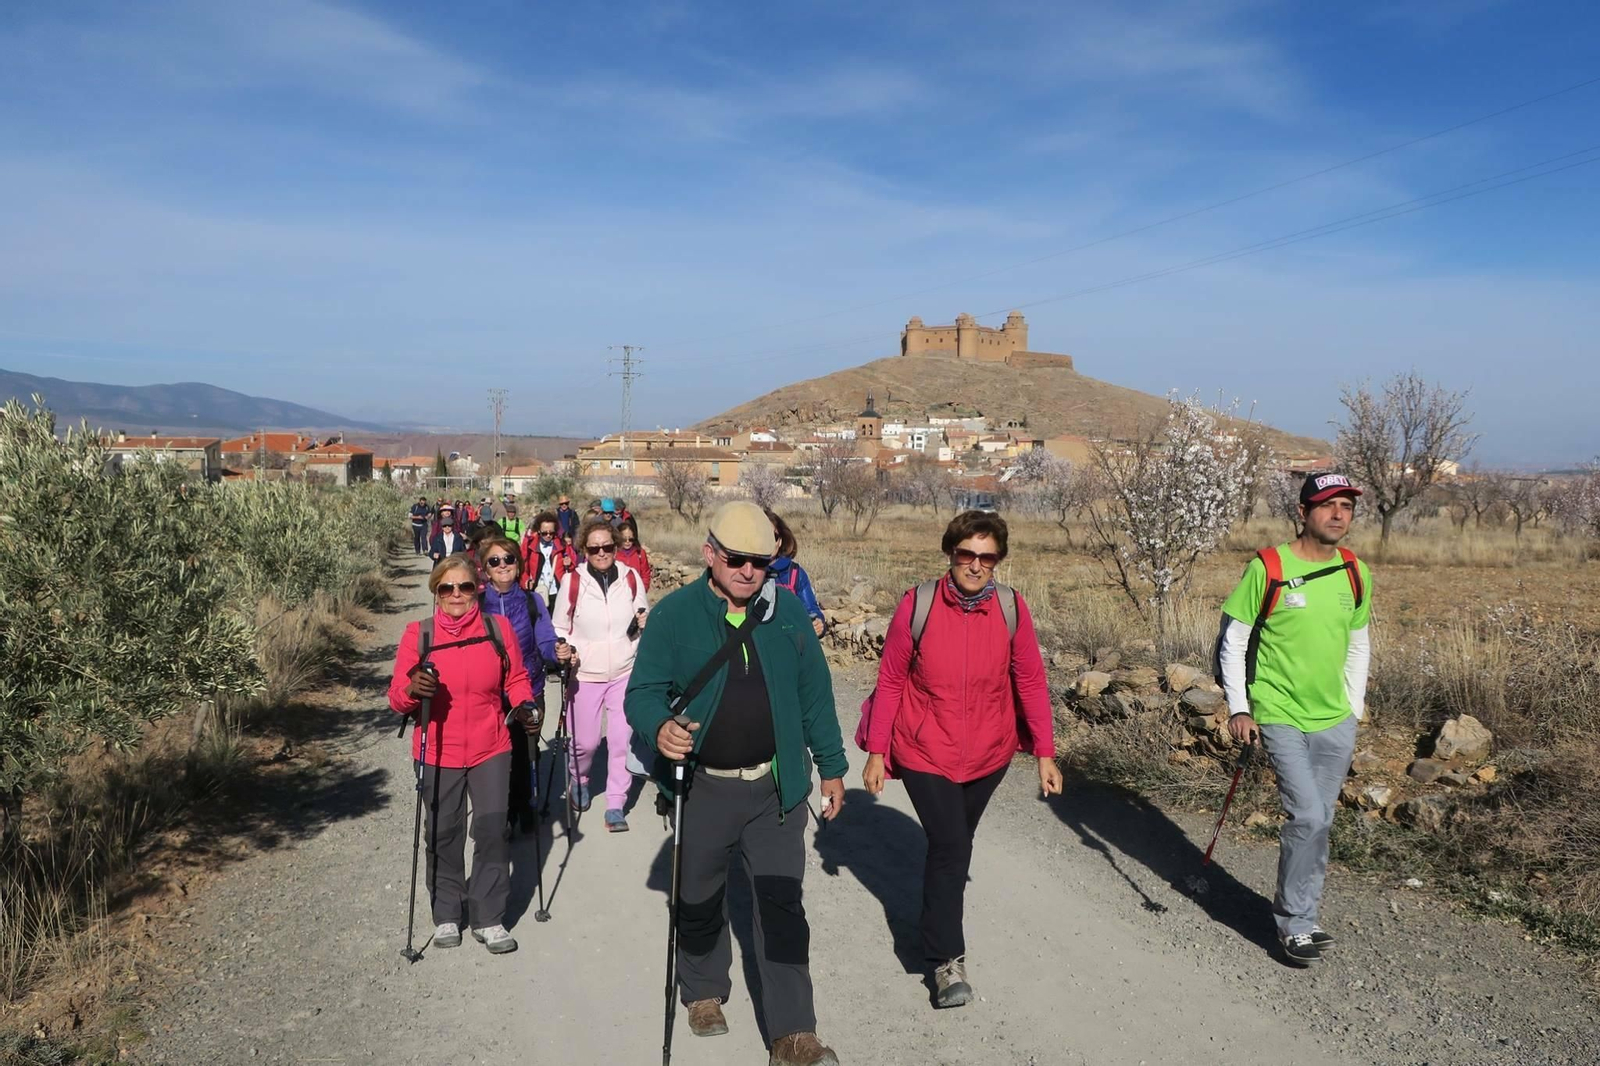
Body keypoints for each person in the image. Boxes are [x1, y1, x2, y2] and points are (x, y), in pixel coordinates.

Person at [625, 501, 845, 1066]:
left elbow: (815, 694)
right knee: (699, 896)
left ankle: (794, 1033)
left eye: (761, 562)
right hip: (702, 788)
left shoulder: (789, 611)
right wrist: (661, 727)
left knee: (781, 906)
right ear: (710, 554)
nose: (749, 571)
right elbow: (642, 693)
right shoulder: (675, 616)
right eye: (737, 559)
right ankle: (702, 992)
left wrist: (833, 766)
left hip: (775, 790)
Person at [859, 510, 1061, 1009]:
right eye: (966, 554)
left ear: (999, 561)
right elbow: (890, 680)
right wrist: (877, 752)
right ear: (951, 554)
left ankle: (934, 923)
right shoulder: (918, 604)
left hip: (989, 753)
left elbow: (1031, 681)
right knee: (950, 845)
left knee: (954, 847)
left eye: (986, 557)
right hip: (926, 747)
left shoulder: (1012, 608)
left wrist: (1045, 753)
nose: (975, 565)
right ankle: (947, 962)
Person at [1220, 472, 1372, 967]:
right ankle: (1296, 924)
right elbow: (1235, 640)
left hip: (1334, 717)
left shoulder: (1355, 571)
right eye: (1328, 505)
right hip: (1279, 710)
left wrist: (1354, 707)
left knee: (1320, 821)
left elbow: (1358, 642)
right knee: (1307, 815)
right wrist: (1240, 707)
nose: (1338, 515)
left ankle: (1302, 914)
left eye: (1346, 506)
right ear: (1303, 512)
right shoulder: (1267, 568)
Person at [388, 557, 539, 955]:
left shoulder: (497, 628)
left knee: (492, 832)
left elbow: (517, 678)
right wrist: (412, 689)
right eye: (447, 589)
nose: (457, 595)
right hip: (438, 751)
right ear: (435, 592)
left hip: (491, 747)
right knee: (442, 833)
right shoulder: (418, 635)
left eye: (465, 587)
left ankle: (489, 918)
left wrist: (525, 705)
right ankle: (447, 914)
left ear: (479, 589)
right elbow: (397, 699)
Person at [552, 517, 650, 832]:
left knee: (621, 740)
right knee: (586, 742)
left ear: (616, 546)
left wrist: (643, 624)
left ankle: (616, 803)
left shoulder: (631, 577)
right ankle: (579, 778)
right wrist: (565, 650)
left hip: (625, 671)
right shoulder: (573, 582)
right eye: (594, 548)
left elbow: (642, 614)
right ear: (584, 550)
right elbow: (558, 627)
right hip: (585, 674)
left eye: (607, 546)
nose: (602, 553)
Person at [480, 536, 560, 833]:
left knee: (526, 752)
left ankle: (524, 807)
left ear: (519, 564)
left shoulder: (532, 601)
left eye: (509, 559)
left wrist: (557, 653)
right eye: (494, 561)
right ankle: (502, 813)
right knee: (496, 757)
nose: (503, 565)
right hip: (487, 695)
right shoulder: (476, 603)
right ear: (485, 570)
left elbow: (545, 639)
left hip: (529, 687)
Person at [764, 509, 825, 637]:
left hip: (790, 643)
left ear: (780, 541)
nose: (766, 542)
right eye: (761, 536)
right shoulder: (744, 573)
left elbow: (811, 610)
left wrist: (819, 624)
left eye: (772, 537)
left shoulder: (796, 574)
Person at [522, 511, 576, 614]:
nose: (548, 535)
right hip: (538, 591)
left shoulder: (562, 545)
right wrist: (526, 582)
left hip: (557, 591)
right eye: (544, 533)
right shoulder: (530, 546)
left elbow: (572, 568)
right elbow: (522, 568)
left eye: (551, 533)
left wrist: (570, 565)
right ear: (538, 531)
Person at [615, 516, 652, 591]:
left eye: (630, 539)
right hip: (619, 592)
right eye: (624, 539)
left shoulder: (640, 553)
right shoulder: (614, 554)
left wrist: (644, 588)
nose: (627, 542)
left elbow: (645, 573)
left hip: (637, 591)